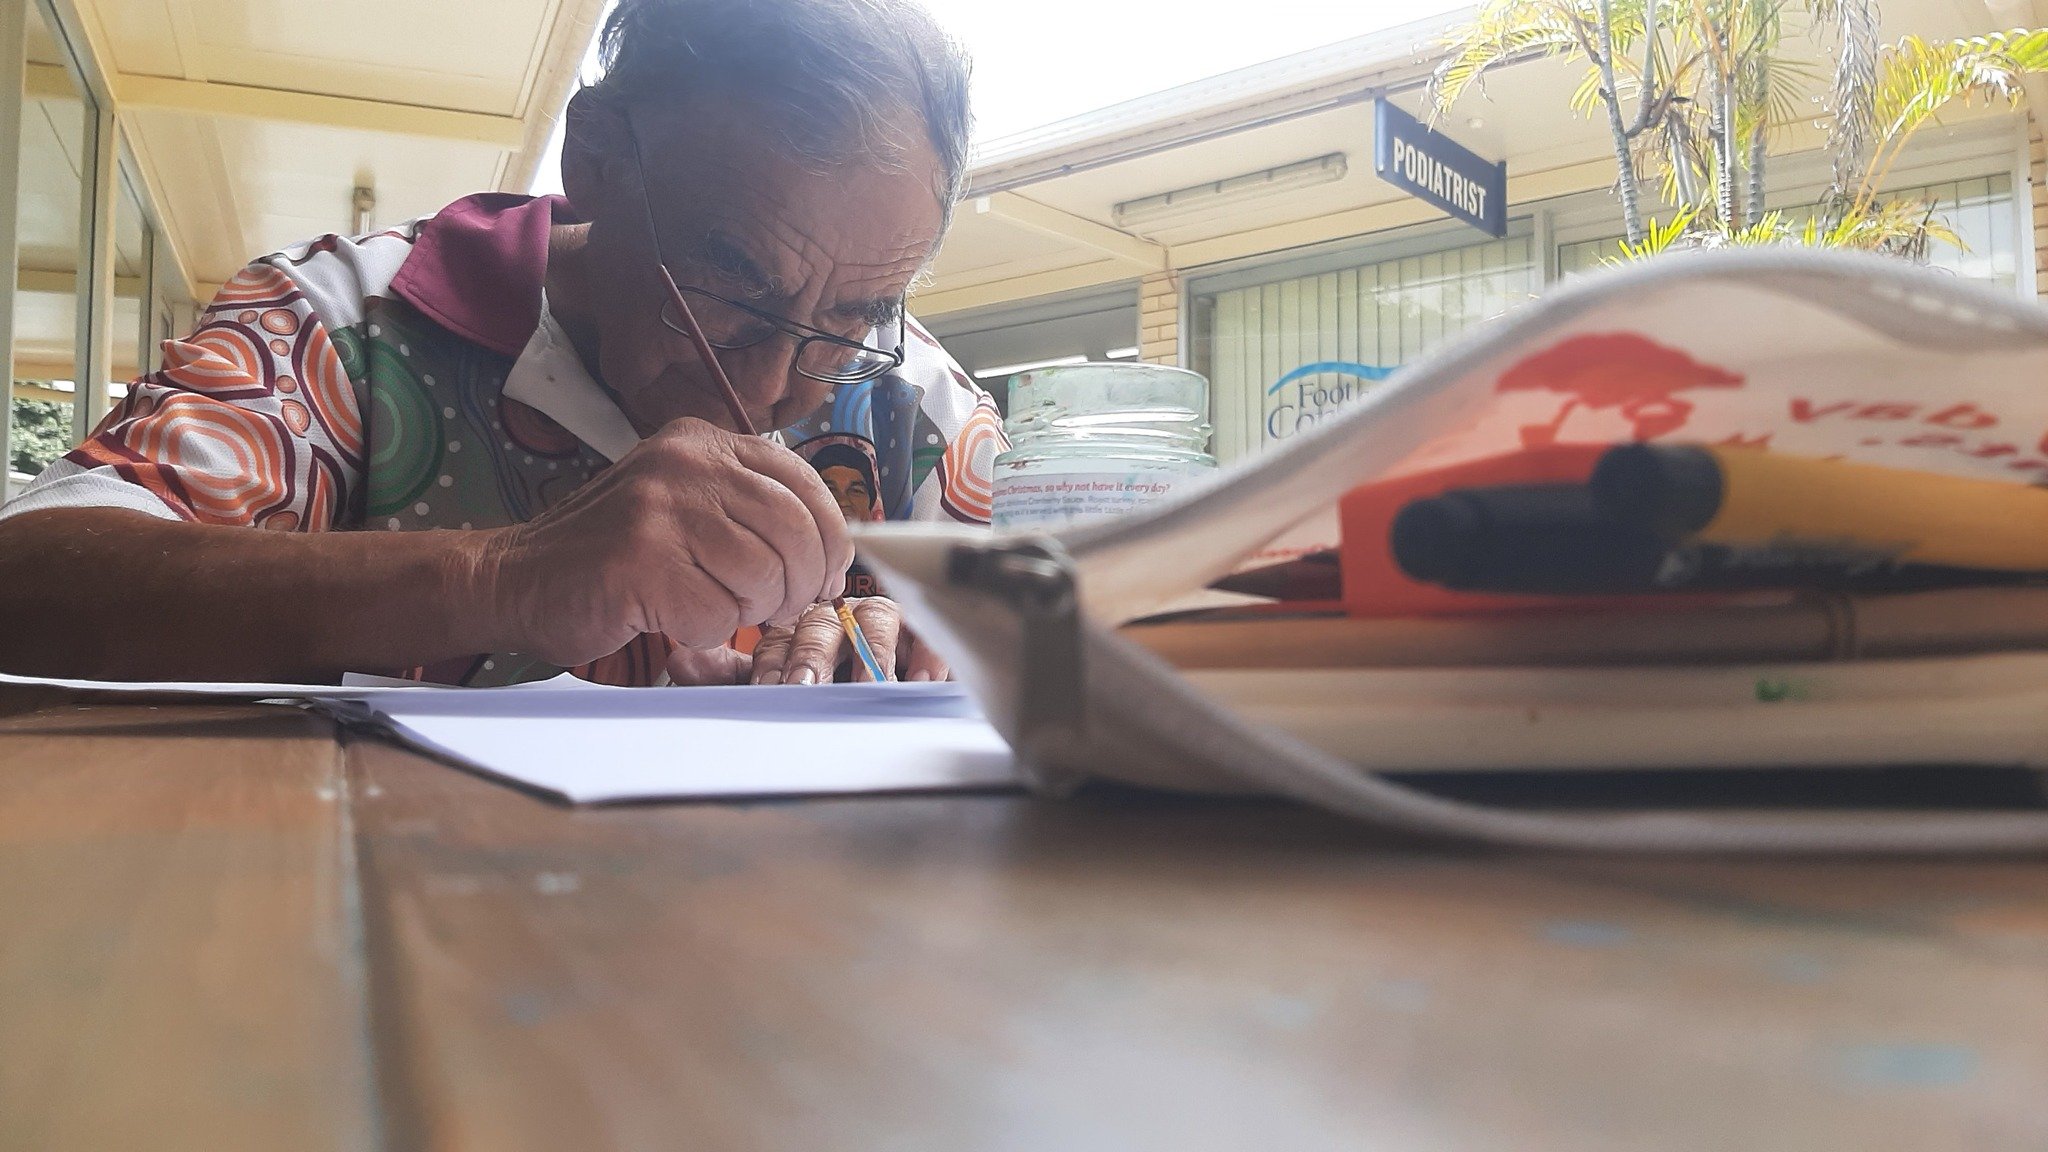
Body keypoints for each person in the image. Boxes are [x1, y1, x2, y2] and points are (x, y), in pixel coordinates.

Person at [0, 0, 1007, 687]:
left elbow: (1104, 652)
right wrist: (501, 578)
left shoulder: (913, 409)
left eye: (851, 317)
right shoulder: (345, 327)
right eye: (732, 286)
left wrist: (934, 655)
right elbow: (30, 583)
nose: (781, 387)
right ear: (600, 161)